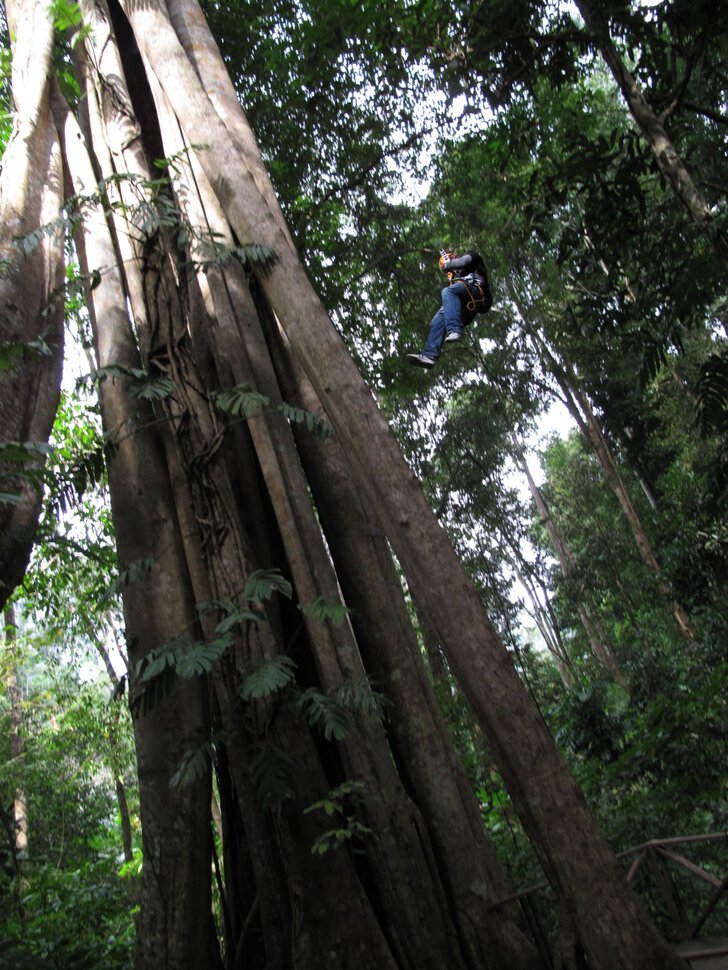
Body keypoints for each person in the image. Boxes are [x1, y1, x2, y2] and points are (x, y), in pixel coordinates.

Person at [406, 247, 492, 369]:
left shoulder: (472, 256)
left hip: (476, 292)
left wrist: (448, 264)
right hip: (465, 305)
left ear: (455, 256)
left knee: (447, 292)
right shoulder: (456, 279)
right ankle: (429, 356)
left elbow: (463, 262)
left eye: (452, 259)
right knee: (438, 319)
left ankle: (455, 329)